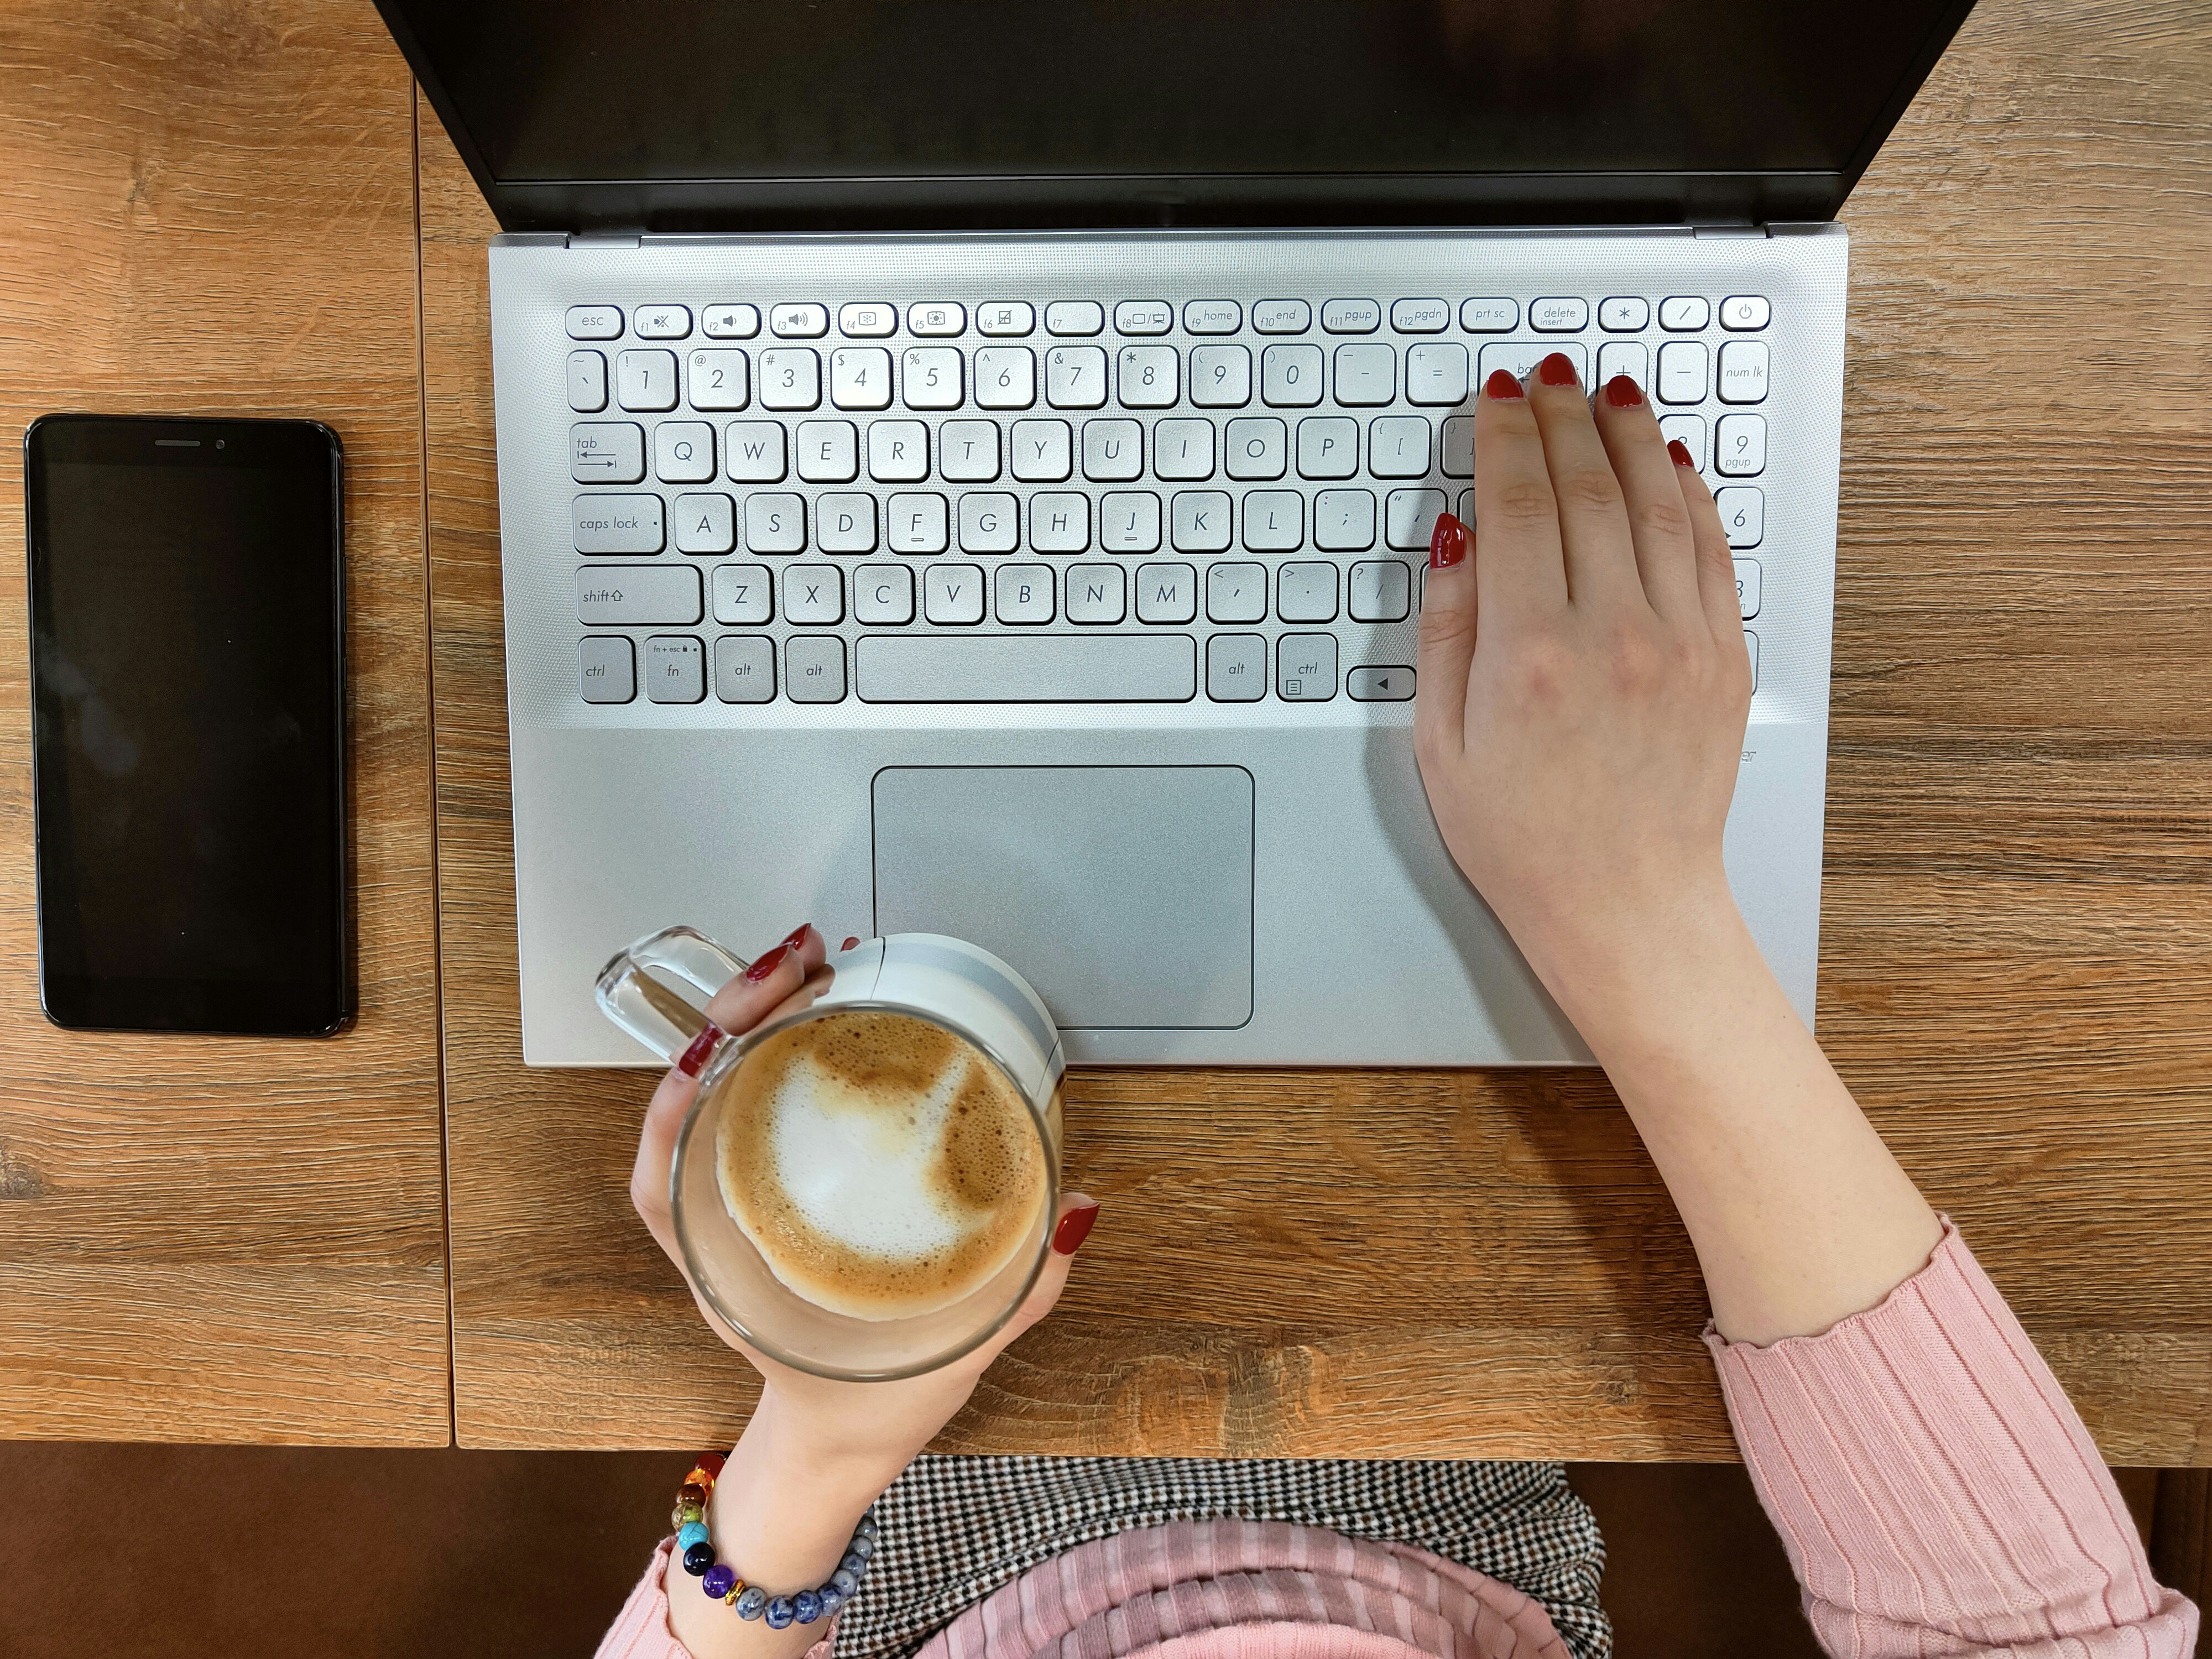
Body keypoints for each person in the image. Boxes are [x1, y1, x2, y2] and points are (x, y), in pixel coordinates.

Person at [598, 358, 2198, 1659]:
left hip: (920, 1538)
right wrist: (1638, 917)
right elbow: (2044, 1641)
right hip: (1458, 1534)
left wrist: (811, 1444)